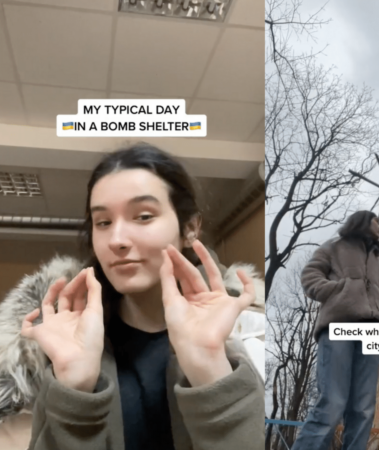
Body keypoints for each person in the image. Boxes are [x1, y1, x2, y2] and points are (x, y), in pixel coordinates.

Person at [0, 144, 265, 450]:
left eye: (142, 216)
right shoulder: (59, 343)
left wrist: (211, 369)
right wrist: (74, 389)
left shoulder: (250, 334)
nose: (117, 240)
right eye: (103, 223)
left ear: (190, 227)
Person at [291, 210, 379, 450]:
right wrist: (338, 291)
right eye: (377, 222)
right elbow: (310, 274)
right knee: (332, 402)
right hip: (340, 326)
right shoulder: (335, 246)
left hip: (372, 332)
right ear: (362, 220)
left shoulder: (376, 259)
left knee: (363, 408)